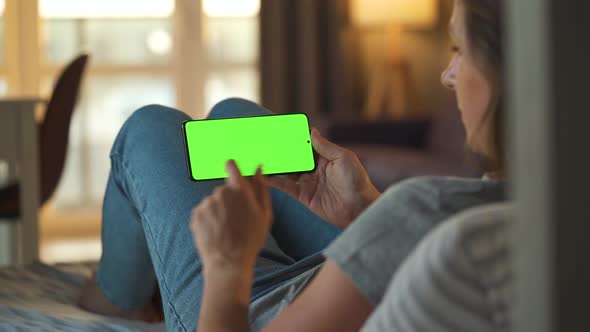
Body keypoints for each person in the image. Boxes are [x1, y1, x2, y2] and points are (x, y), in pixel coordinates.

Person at [79, 0, 506, 331]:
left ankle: (117, 295)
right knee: (234, 113)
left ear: (505, 76)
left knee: (150, 126)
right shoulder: (549, 202)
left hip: (255, 310)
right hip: (345, 274)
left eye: (458, 50)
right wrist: (366, 209)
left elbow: (415, 233)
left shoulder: (422, 207)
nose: (447, 75)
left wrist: (227, 265)